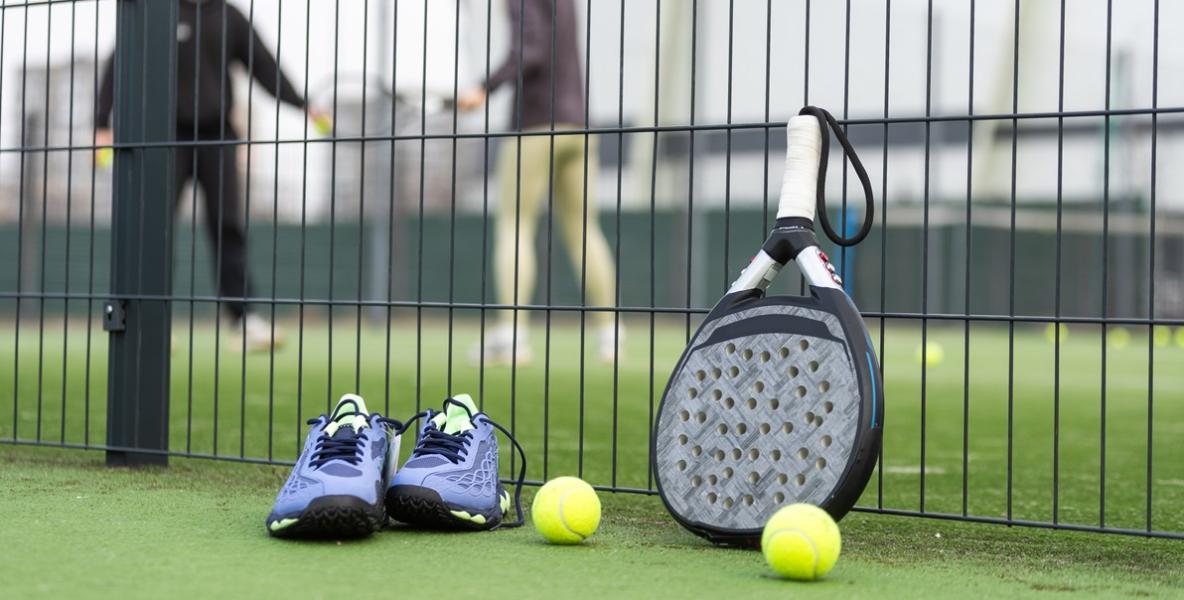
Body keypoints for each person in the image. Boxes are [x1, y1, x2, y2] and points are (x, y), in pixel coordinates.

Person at [95, 0, 321, 351]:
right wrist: (100, 123)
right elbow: (120, 59)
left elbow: (264, 65)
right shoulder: (159, 11)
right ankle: (151, 320)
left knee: (227, 226)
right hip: (164, 138)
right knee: (155, 229)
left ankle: (244, 319)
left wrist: (303, 104)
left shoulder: (229, 15)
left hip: (218, 137)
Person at [460, 0, 621, 365]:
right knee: (584, 230)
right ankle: (610, 336)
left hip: (535, 124)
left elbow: (529, 51)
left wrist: (483, 88)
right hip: (577, 122)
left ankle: (512, 338)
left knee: (514, 225)